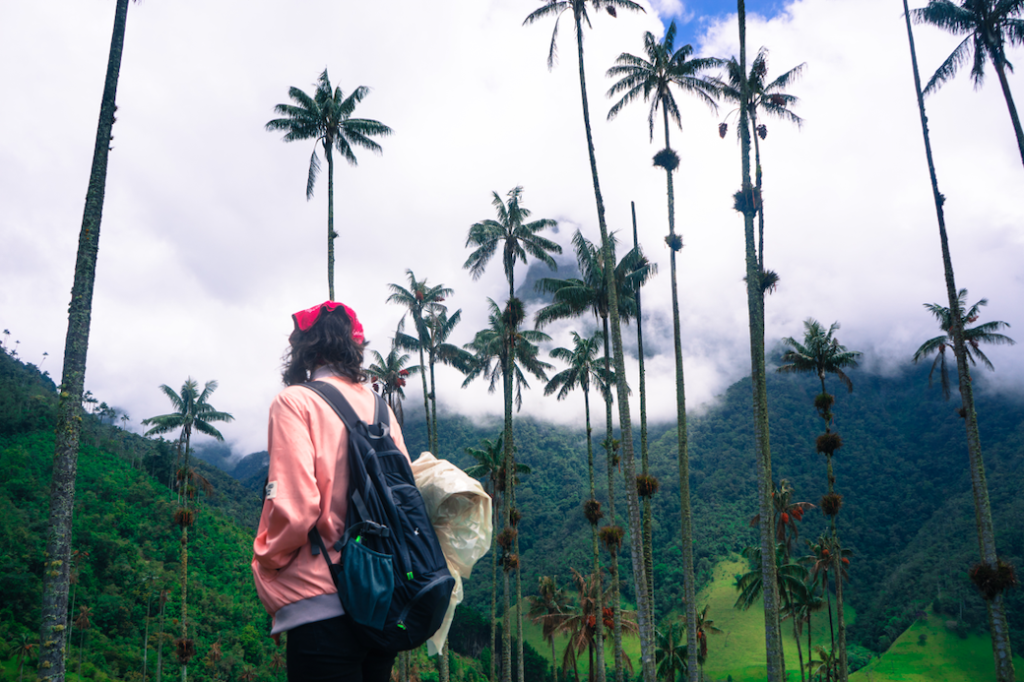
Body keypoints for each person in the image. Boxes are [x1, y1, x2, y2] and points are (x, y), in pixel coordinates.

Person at [252, 300, 409, 682]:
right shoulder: (381, 409)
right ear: (354, 346)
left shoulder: (295, 401)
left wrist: (265, 558)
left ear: (305, 347)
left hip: (323, 604)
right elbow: (404, 500)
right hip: (381, 601)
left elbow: (297, 508)